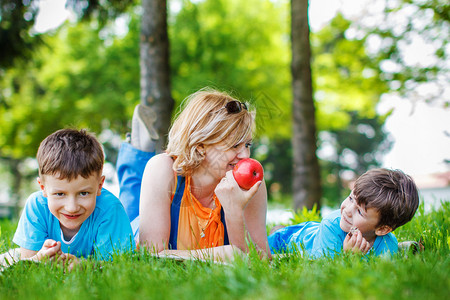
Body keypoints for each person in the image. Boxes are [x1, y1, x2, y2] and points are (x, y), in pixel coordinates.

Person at [117, 89, 270, 260]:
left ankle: (141, 147)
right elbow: (150, 255)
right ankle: (138, 150)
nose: (245, 156)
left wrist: (234, 211)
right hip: (144, 222)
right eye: (234, 146)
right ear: (200, 146)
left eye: (247, 144)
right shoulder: (163, 169)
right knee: (128, 210)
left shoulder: (252, 183)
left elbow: (261, 260)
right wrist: (218, 255)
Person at [12, 128, 134, 265]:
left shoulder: (110, 209)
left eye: (83, 193)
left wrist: (85, 266)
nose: (72, 208)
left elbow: (117, 266)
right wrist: (40, 258)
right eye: (60, 194)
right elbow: (28, 263)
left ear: (99, 185)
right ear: (43, 188)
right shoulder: (36, 206)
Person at [268, 168, 419, 258]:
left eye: (359, 211)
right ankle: (279, 229)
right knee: (262, 248)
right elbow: (321, 269)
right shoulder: (331, 226)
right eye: (351, 198)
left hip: (316, 231)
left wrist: (354, 258)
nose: (347, 210)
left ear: (382, 229)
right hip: (294, 237)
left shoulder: (388, 243)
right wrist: (348, 258)